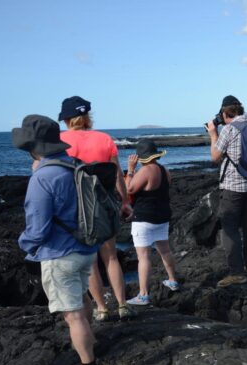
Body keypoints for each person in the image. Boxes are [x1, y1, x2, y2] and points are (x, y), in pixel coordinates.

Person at [13, 114, 104, 365]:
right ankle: (89, 340)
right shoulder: (75, 164)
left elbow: (37, 229)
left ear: (33, 146)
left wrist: (24, 245)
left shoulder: (43, 178)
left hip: (60, 253)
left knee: (72, 314)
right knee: (81, 297)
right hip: (87, 248)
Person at [58, 96, 134, 320]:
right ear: (87, 116)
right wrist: (125, 201)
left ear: (68, 119)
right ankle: (122, 305)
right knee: (111, 257)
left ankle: (101, 308)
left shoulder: (61, 141)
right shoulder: (105, 139)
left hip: (78, 208)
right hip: (106, 204)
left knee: (90, 260)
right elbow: (117, 173)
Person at [207, 95, 247, 288]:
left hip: (233, 188)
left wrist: (213, 134)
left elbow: (215, 156)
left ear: (224, 112)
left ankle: (237, 273)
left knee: (229, 229)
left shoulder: (229, 129)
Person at [124, 139, 180, 305]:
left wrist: (131, 170)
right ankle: (172, 280)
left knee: (144, 257)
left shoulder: (145, 170)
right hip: (162, 217)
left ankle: (143, 294)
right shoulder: (164, 170)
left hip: (144, 219)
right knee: (165, 251)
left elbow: (129, 190)